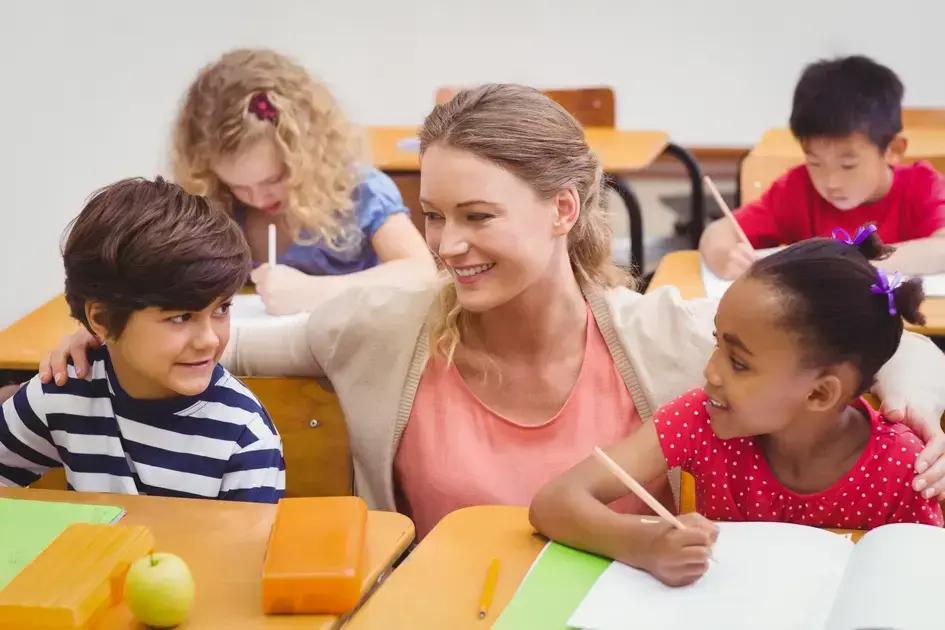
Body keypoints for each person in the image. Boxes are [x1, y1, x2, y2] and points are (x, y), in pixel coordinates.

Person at [39, 86, 945, 538]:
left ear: (560, 210)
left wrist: (930, 397)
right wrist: (106, 330)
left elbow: (876, 337)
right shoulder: (381, 331)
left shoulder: (663, 340)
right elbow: (225, 343)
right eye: (432, 215)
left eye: (477, 216)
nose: (446, 245)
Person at [530, 230, 943, 586]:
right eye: (717, 344)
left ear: (819, 394)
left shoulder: (905, 468)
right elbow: (554, 502)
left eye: (739, 363)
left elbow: (921, 584)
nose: (710, 372)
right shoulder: (699, 420)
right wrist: (643, 543)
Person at [1, 178, 284, 503]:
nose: (208, 340)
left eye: (221, 309)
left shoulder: (245, 437)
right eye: (180, 317)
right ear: (102, 319)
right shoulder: (66, 388)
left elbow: (245, 554)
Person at [174, 48, 435, 314]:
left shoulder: (358, 192)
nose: (258, 198)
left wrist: (317, 293)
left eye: (274, 178)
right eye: (238, 186)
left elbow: (422, 274)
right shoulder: (218, 204)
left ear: (308, 154)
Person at [700, 55, 945, 279]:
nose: (830, 182)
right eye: (815, 162)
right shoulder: (798, 189)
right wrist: (725, 257)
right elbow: (718, 232)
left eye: (847, 165)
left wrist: (856, 264)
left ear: (893, 150)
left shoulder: (922, 186)